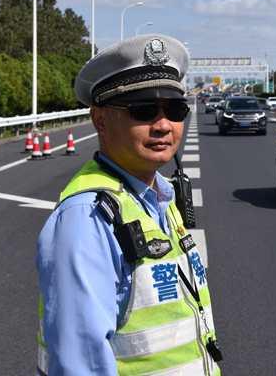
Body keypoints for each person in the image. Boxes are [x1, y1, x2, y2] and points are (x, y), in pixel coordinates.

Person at [36, 35, 222, 375]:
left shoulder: (157, 197)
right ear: (100, 120)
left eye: (175, 109)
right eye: (144, 110)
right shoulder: (87, 217)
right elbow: (79, 363)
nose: (163, 125)